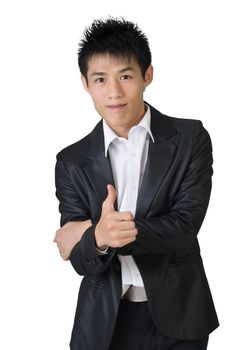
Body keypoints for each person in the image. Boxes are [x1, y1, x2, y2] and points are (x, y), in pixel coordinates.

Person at [54, 17, 219, 350]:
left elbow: (184, 226)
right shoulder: (71, 160)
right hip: (104, 321)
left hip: (180, 315)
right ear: (86, 83)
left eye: (125, 76)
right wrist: (94, 239)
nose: (114, 92)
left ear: (147, 75)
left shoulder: (189, 139)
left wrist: (98, 232)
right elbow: (78, 259)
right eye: (100, 79)